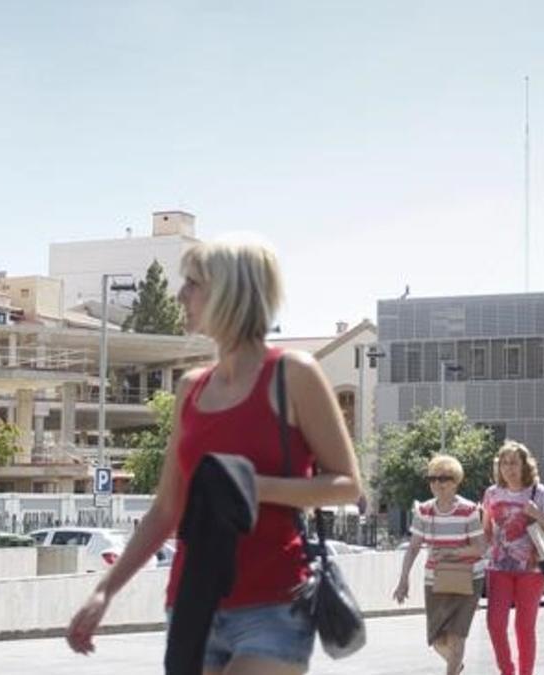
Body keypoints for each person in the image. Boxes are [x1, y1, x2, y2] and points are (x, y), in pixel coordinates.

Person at [65, 236, 363, 674]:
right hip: (192, 605)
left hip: (274, 605)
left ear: (230, 291)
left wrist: (252, 487)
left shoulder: (293, 374)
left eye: (192, 283)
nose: (180, 295)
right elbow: (166, 509)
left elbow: (347, 485)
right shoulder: (191, 388)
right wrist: (104, 592)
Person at [393, 455, 486, 675]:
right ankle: (456, 663)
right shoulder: (424, 511)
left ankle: (452, 667)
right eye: (432, 478)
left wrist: (451, 552)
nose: (437, 483)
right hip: (435, 581)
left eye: (443, 479)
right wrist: (403, 579)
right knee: (436, 639)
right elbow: (414, 547)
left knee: (457, 636)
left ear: (455, 481)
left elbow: (480, 548)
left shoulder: (469, 509)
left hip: (469, 578)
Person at [482, 440, 544, 675]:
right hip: (498, 568)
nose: (509, 468)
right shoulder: (492, 493)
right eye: (504, 463)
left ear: (524, 465)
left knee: (524, 627)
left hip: (533, 571)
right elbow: (485, 529)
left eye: (514, 462)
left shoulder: (538, 492)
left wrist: (536, 514)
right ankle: (507, 671)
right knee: (495, 624)